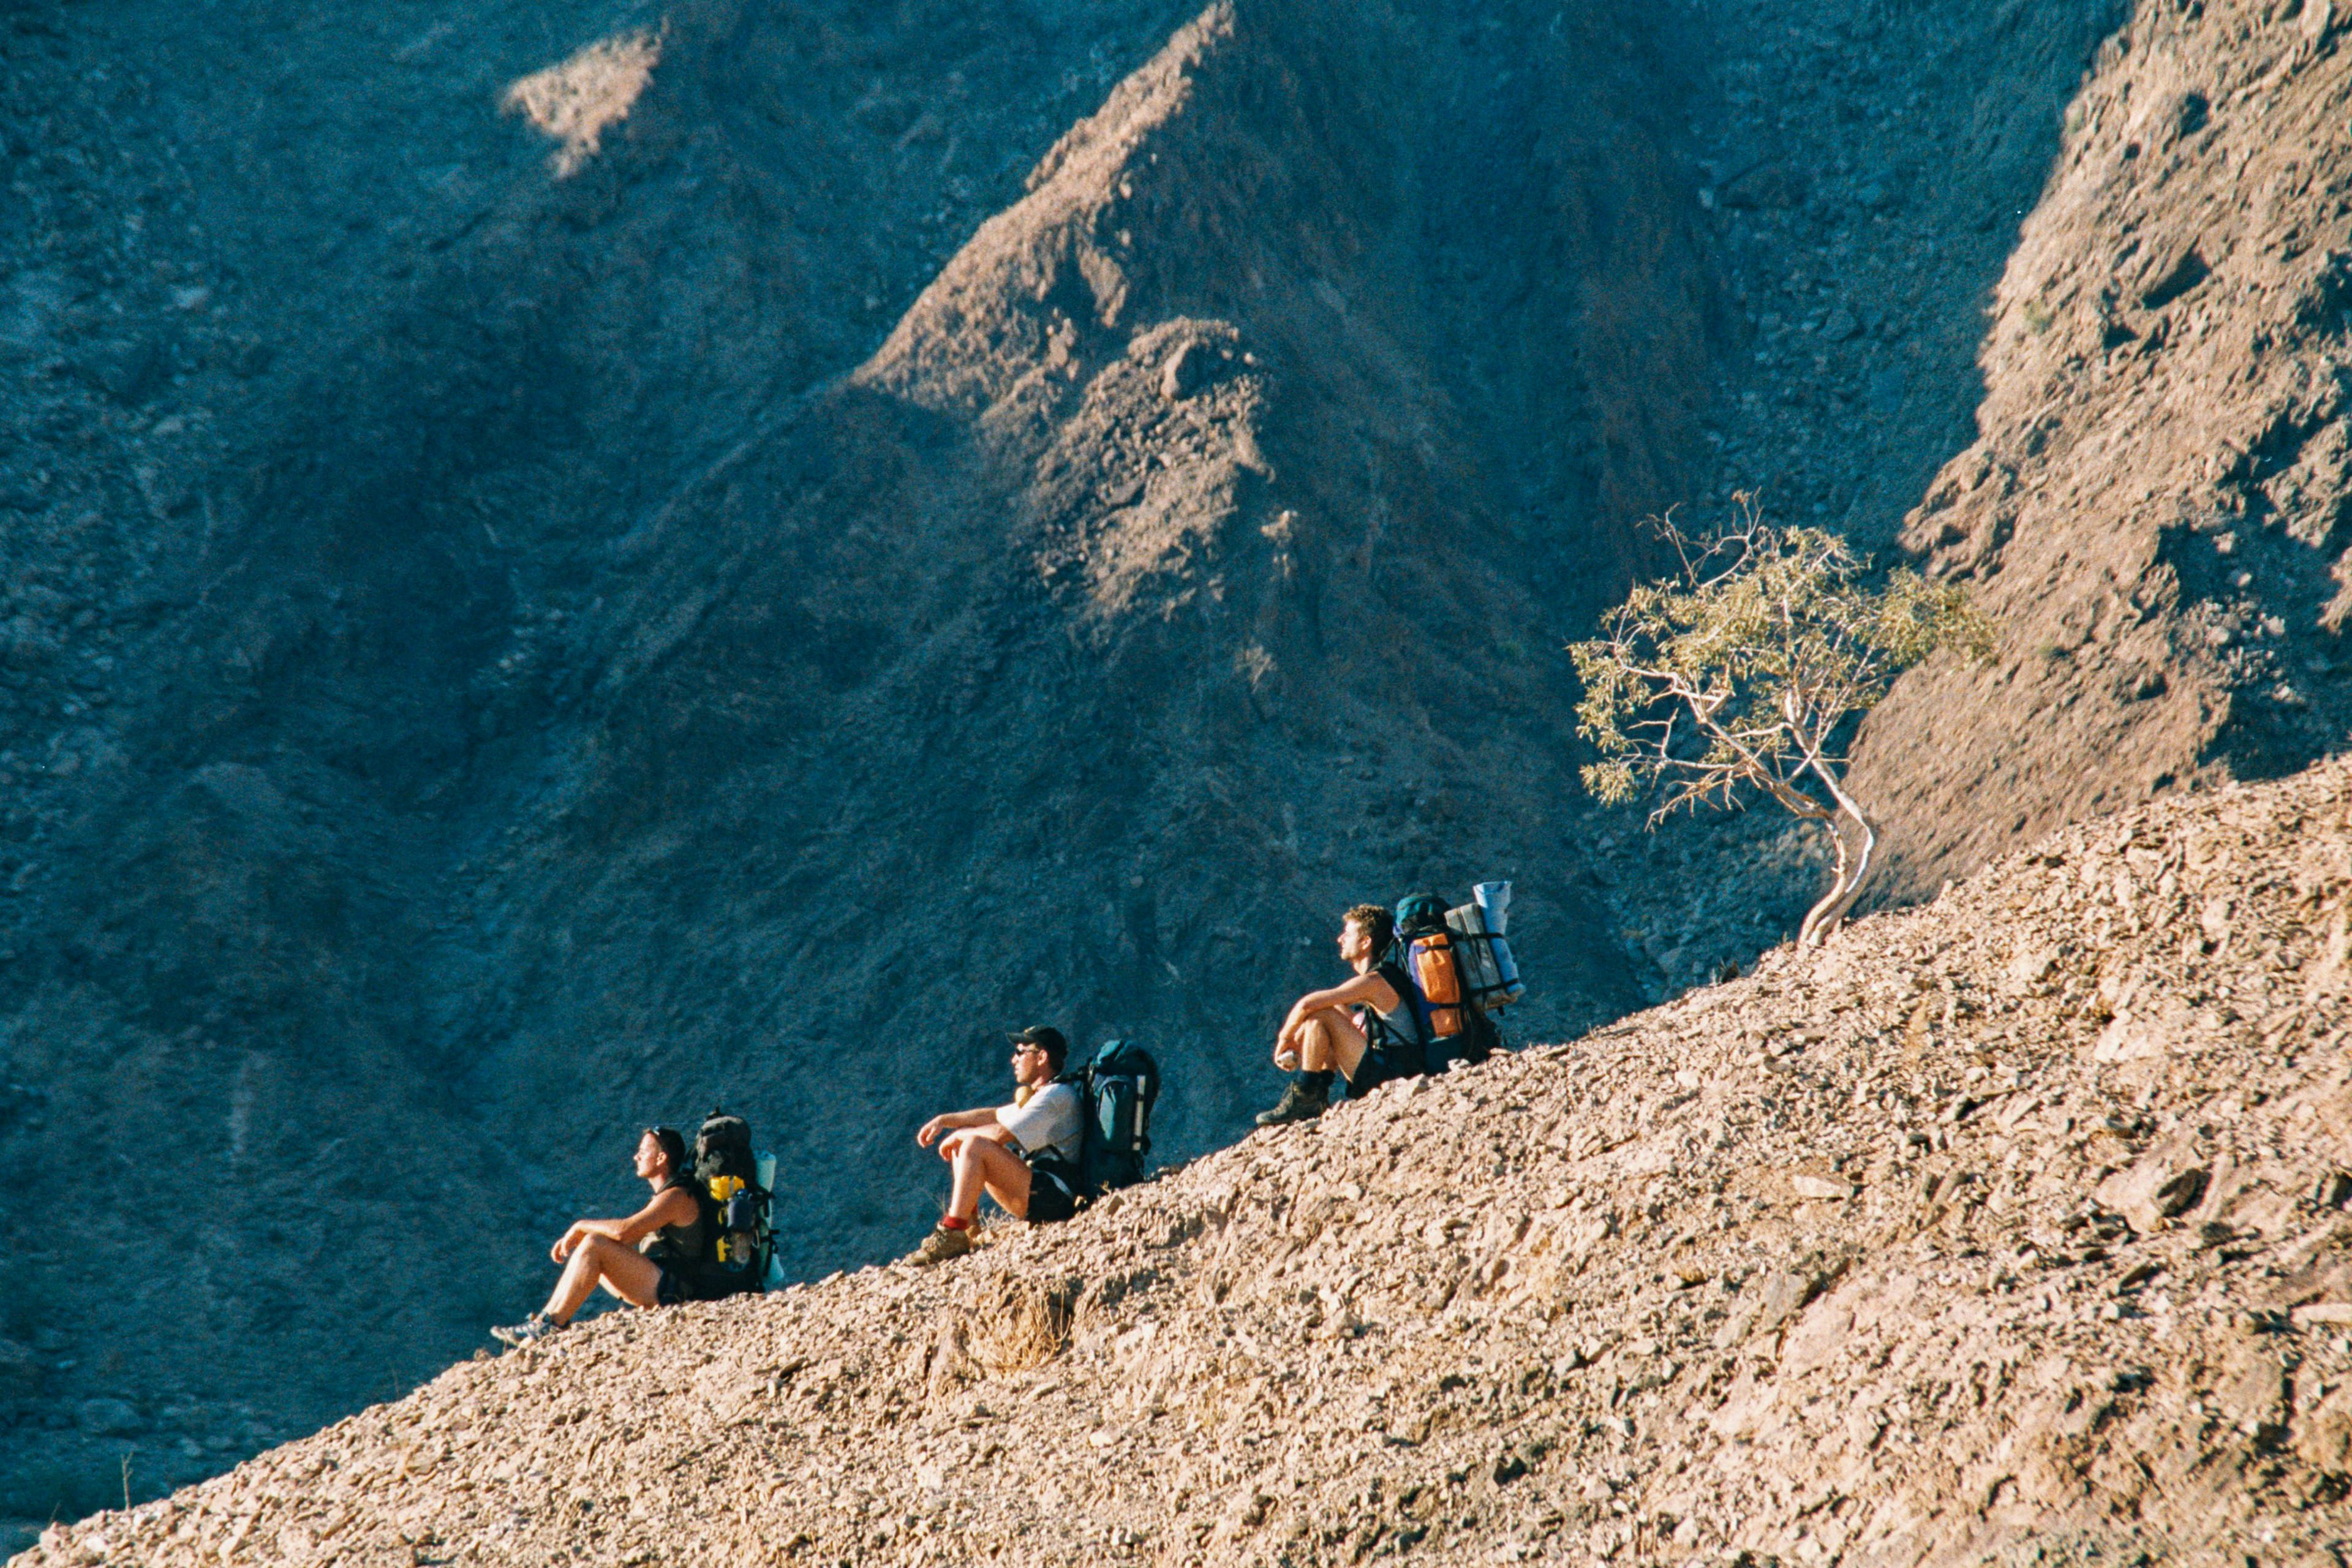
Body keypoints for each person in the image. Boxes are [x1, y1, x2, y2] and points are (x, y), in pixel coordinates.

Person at [490, 1126, 720, 1346]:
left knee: (595, 1244)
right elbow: (626, 1237)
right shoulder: (668, 1195)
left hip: (676, 1289)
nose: (636, 1157)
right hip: (662, 1281)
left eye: (643, 1152)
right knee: (593, 1243)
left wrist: (581, 1226)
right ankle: (545, 1320)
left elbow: (624, 1231)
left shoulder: (677, 1197)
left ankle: (552, 1324)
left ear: (661, 1159)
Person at [905, 1025, 1085, 1265]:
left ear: (1042, 1057)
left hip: (1057, 1198)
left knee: (974, 1145)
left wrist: (962, 1135)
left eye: (1021, 1052)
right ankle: (968, 1232)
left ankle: (951, 1231)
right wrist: (945, 1121)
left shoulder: (1056, 1097)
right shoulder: (1043, 1095)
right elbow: (994, 1115)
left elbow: (1001, 1133)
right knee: (966, 1144)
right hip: (1041, 1192)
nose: (1014, 1059)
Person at [1255, 902, 1425, 1125]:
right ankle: (1318, 1089)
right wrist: (1299, 1041)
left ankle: (1306, 1093)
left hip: (1393, 1073)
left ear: (1366, 942)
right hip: (1392, 1064)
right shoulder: (1383, 976)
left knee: (1322, 1015)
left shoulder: (1374, 982)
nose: (1340, 939)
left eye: (1348, 934)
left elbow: (1308, 1004)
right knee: (1330, 1010)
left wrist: (1285, 1039)